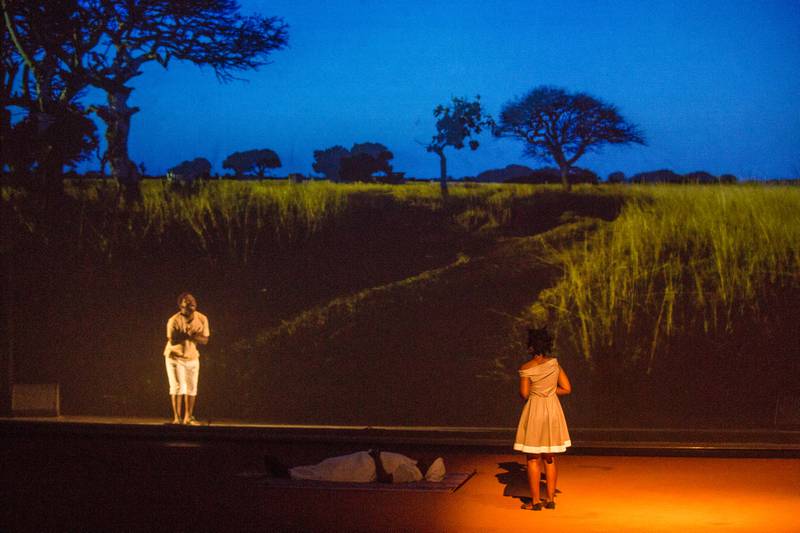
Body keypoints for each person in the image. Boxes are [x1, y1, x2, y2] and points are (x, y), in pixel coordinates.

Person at [513, 327, 572, 510]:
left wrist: (538, 392)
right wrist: (549, 392)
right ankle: (551, 499)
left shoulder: (526, 368)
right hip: (552, 410)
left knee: (532, 458)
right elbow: (567, 388)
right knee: (549, 456)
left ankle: (536, 501)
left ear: (531, 347)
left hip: (536, 410)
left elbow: (524, 394)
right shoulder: (554, 364)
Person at [264, 449, 446, 484]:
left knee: (329, 473)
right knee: (328, 465)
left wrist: (375, 458)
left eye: (429, 461)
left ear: (429, 469)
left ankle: (289, 474)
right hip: (362, 462)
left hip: (364, 469)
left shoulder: (412, 473)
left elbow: (385, 479)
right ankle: (292, 471)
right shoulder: (412, 464)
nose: (426, 458)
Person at [163, 292, 210, 425]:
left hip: (192, 357)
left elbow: (205, 340)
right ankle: (177, 418)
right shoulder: (174, 320)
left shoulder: (202, 318)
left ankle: (188, 417)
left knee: (191, 388)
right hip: (175, 356)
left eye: (192, 300)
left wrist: (189, 336)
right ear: (180, 305)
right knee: (178, 387)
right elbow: (172, 340)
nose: (191, 302)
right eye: (187, 301)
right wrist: (189, 335)